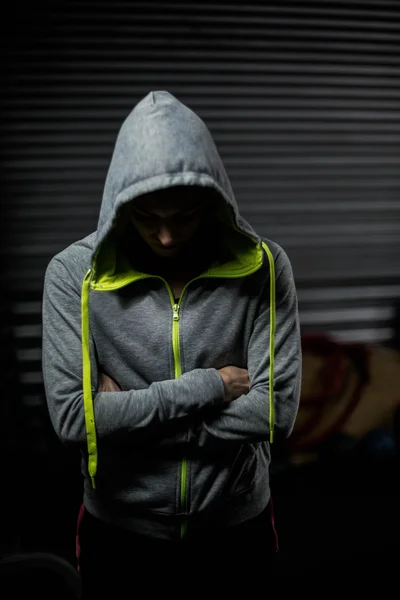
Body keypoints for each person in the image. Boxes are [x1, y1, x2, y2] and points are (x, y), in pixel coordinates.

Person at [41, 90, 302, 596]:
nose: (164, 237)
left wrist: (125, 422)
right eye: (146, 218)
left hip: (235, 530)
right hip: (121, 534)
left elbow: (275, 414)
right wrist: (210, 386)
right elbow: (74, 419)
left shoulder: (266, 268)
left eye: (183, 216)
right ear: (120, 204)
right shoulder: (74, 275)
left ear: (215, 200)